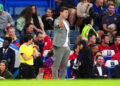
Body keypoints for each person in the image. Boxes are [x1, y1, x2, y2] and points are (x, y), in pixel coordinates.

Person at [52, 7, 70, 79]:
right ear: (61, 13)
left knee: (64, 66)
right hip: (59, 46)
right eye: (65, 12)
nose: (67, 14)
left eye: (67, 13)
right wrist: (59, 25)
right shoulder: (57, 20)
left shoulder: (67, 22)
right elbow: (57, 25)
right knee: (56, 66)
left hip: (67, 47)